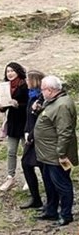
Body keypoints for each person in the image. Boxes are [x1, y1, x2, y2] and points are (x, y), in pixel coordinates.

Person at [34, 75, 77, 227]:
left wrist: (61, 154)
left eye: (43, 89)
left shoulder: (62, 105)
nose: (41, 92)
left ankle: (66, 214)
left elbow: (65, 132)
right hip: (47, 154)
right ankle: (51, 210)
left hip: (56, 155)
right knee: (49, 183)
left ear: (51, 90)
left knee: (62, 185)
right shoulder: (53, 101)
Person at [0, 62, 28, 191]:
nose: (9, 73)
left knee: (26, 151)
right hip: (13, 123)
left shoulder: (24, 85)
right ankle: (10, 177)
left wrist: (18, 105)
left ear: (18, 71)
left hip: (24, 122)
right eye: (7, 71)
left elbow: (28, 104)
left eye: (12, 71)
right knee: (11, 151)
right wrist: (1, 107)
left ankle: (28, 178)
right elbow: (5, 107)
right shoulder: (5, 87)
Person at [19, 70, 45, 209]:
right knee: (26, 164)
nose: (26, 82)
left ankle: (51, 199)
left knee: (42, 167)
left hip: (38, 137)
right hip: (30, 135)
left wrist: (32, 134)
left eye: (28, 79)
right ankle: (35, 197)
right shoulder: (31, 96)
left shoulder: (40, 98)